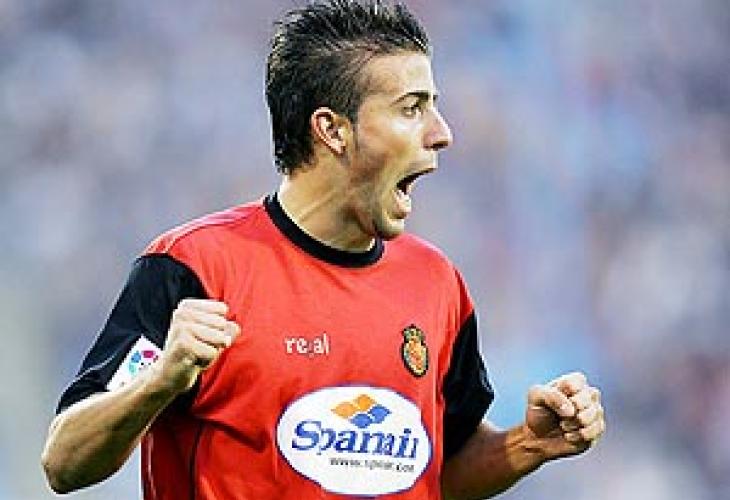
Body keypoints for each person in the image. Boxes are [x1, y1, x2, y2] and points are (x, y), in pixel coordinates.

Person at [41, 1, 605, 498]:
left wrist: (527, 444)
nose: (442, 132)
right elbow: (64, 462)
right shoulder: (195, 268)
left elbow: (437, 475)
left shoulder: (437, 286)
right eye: (412, 108)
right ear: (332, 130)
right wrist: (159, 382)